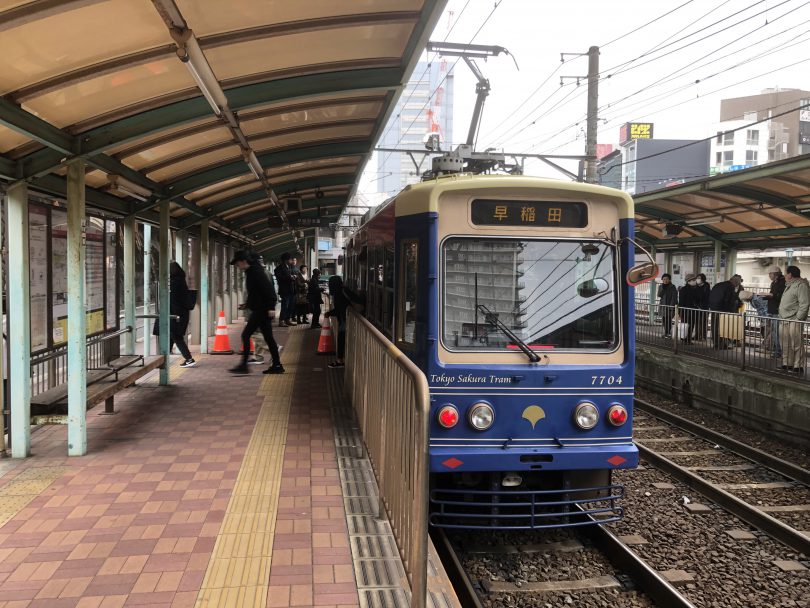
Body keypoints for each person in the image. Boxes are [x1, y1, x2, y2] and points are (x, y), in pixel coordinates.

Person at [230, 250, 283, 375]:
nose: (237, 267)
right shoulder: (252, 271)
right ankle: (277, 364)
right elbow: (255, 293)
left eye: (237, 264)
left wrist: (271, 307)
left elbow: (269, 290)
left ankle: (244, 365)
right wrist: (247, 305)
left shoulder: (256, 273)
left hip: (262, 310)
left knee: (246, 335)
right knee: (268, 338)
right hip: (260, 309)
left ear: (243, 261)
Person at [778, 265, 809, 373]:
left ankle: (798, 365)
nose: (784, 275)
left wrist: (798, 318)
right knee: (785, 342)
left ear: (790, 274)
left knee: (796, 343)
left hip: (794, 319)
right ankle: (787, 363)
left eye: (786, 273)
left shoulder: (801, 285)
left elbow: (804, 304)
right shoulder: (790, 285)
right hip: (784, 318)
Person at [170, 262, 196, 368]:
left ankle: (189, 358)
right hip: (181, 313)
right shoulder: (181, 281)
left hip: (177, 315)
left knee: (176, 336)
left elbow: (174, 300)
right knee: (172, 334)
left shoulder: (175, 283)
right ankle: (166, 354)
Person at [708, 274, 742, 348]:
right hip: (723, 310)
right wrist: (730, 310)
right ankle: (721, 345)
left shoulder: (718, 285)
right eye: (738, 283)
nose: (738, 285)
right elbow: (729, 300)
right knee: (722, 327)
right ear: (735, 281)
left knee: (715, 326)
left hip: (714, 309)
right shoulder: (730, 287)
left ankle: (716, 343)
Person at [761, 265, 785, 358]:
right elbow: (773, 294)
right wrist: (766, 297)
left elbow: (780, 296)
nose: (769, 276)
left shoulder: (782, 282)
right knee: (774, 331)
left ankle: (778, 351)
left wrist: (771, 296)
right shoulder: (774, 283)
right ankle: (776, 349)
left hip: (777, 310)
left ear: (775, 274)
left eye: (770, 274)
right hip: (772, 309)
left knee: (777, 331)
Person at [273, 252, 296, 326]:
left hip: (291, 290)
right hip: (285, 290)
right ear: (286, 260)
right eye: (290, 259)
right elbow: (279, 278)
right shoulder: (279, 268)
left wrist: (292, 277)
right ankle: (281, 320)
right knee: (285, 306)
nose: (291, 261)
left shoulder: (289, 267)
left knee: (291, 306)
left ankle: (287, 319)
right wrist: (290, 277)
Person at [677, 274, 699, 343]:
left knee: (688, 325)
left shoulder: (693, 289)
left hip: (688, 310)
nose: (694, 281)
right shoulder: (686, 289)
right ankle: (686, 338)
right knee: (688, 325)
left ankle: (686, 338)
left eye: (694, 280)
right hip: (688, 310)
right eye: (693, 280)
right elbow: (681, 301)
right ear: (688, 281)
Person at [657, 273, 678, 338]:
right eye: (664, 279)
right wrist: (663, 288)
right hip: (663, 306)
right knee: (664, 320)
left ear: (669, 280)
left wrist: (671, 306)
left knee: (668, 320)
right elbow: (659, 295)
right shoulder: (661, 286)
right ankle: (666, 333)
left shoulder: (672, 287)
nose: (665, 280)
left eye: (667, 279)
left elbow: (674, 297)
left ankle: (668, 333)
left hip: (669, 306)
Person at [694, 273, 710, 340]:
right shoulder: (696, 286)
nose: (698, 279)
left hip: (704, 307)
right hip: (697, 307)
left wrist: (702, 305)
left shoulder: (706, 286)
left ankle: (703, 336)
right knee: (697, 321)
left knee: (703, 321)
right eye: (697, 278)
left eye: (699, 278)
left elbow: (706, 297)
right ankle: (697, 335)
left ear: (703, 279)